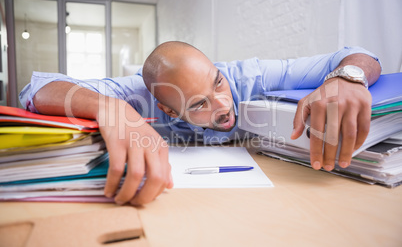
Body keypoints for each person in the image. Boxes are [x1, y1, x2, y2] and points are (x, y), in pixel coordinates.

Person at [19, 41, 381, 205]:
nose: (223, 103)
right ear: (170, 111)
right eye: (200, 103)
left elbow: (358, 56)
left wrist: (346, 77)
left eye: (217, 81)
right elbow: (35, 89)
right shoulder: (142, 93)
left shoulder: (252, 76)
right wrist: (112, 110)